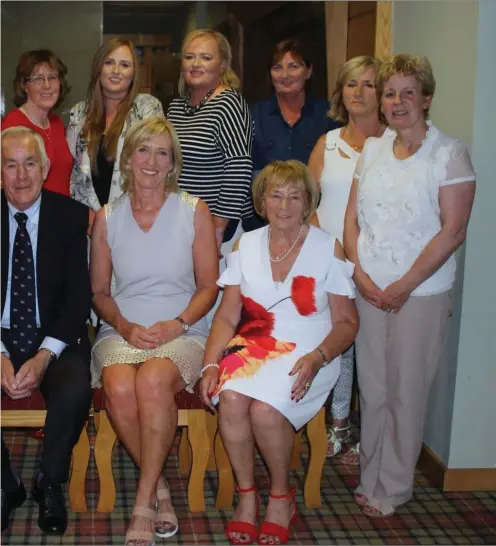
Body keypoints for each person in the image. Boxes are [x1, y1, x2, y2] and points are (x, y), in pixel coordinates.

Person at [344, 54, 476, 518]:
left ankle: (395, 485)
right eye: (389, 92)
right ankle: (371, 474)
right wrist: (358, 272)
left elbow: (452, 231)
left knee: (407, 391)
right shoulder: (373, 148)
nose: (397, 101)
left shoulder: (449, 153)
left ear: (426, 98)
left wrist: (403, 284)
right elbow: (351, 218)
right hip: (369, 288)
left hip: (419, 294)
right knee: (374, 389)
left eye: (406, 92)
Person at [200, 160, 358, 545]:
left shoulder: (327, 247)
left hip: (310, 349)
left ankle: (280, 496)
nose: (284, 205)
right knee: (233, 397)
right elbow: (226, 316)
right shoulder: (245, 244)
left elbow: (347, 324)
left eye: (294, 196)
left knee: (266, 411)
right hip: (253, 344)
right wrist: (210, 363)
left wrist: (319, 357)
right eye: (275, 195)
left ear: (308, 202)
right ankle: (247, 494)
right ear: (262, 200)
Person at [90, 117, 219, 546]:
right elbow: (99, 292)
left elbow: (208, 286)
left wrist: (177, 324)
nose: (151, 160)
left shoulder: (193, 211)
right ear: (128, 159)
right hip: (123, 327)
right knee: (119, 385)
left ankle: (144, 501)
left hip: (183, 326)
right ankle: (162, 484)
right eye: (143, 150)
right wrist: (123, 325)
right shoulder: (106, 218)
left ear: (172, 164)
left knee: (151, 381)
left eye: (162, 152)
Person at [1, 127, 91, 535]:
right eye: (10, 164)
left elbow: (78, 301)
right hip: (1, 336)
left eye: (30, 163)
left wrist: (42, 356)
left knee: (74, 388)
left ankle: (48, 482)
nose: (20, 176)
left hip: (54, 336)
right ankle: (6, 485)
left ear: (47, 167)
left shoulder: (71, 217)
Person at [307, 55, 385, 464]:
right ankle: (336, 426)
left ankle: (362, 429)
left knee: (369, 352)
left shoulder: (393, 147)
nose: (358, 92)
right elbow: (306, 199)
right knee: (337, 343)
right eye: (351, 84)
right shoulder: (328, 143)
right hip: (329, 258)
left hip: (376, 266)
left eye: (368, 84)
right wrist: (327, 250)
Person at [167, 29, 253, 257]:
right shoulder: (175, 108)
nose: (196, 64)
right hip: (182, 223)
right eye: (189, 57)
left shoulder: (228, 103)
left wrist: (217, 227)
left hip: (220, 230)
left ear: (223, 64)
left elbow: (239, 167)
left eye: (206, 58)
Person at [245, 38, 340, 232]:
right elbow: (248, 174)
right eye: (277, 68)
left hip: (315, 225)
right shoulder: (253, 115)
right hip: (262, 225)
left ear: (309, 71)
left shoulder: (329, 116)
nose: (285, 75)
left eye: (293, 66)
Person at [67, 38, 164, 223]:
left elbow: (157, 169)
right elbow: (73, 175)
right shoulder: (79, 113)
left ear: (134, 72)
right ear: (98, 68)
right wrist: (89, 220)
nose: (116, 71)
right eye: (109, 62)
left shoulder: (147, 109)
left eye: (125, 65)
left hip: (135, 222)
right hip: (87, 225)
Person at [2, 49, 73, 196]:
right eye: (38, 78)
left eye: (52, 77)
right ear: (24, 85)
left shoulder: (57, 123)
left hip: (63, 212)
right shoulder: (12, 127)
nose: (47, 85)